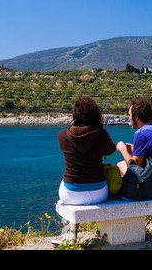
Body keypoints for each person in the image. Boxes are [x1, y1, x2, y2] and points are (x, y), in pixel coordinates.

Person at [56, 97, 116, 242]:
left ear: (75, 114)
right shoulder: (101, 135)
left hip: (71, 194)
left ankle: (70, 235)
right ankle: (103, 231)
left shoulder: (62, 136)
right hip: (98, 193)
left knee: (69, 190)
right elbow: (111, 150)